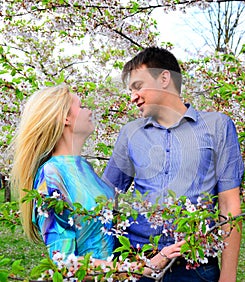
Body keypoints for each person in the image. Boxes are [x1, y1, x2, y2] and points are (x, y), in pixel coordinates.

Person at [102, 47, 244, 281]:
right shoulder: (131, 133)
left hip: (195, 268)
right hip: (140, 265)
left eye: (138, 86)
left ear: (164, 78)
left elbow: (229, 205)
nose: (132, 97)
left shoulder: (218, 126)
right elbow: (105, 196)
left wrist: (228, 275)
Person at [10, 84, 183, 275]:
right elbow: (64, 262)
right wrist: (145, 267)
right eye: (81, 106)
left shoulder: (83, 166)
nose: (89, 111)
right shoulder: (52, 176)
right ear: (65, 118)